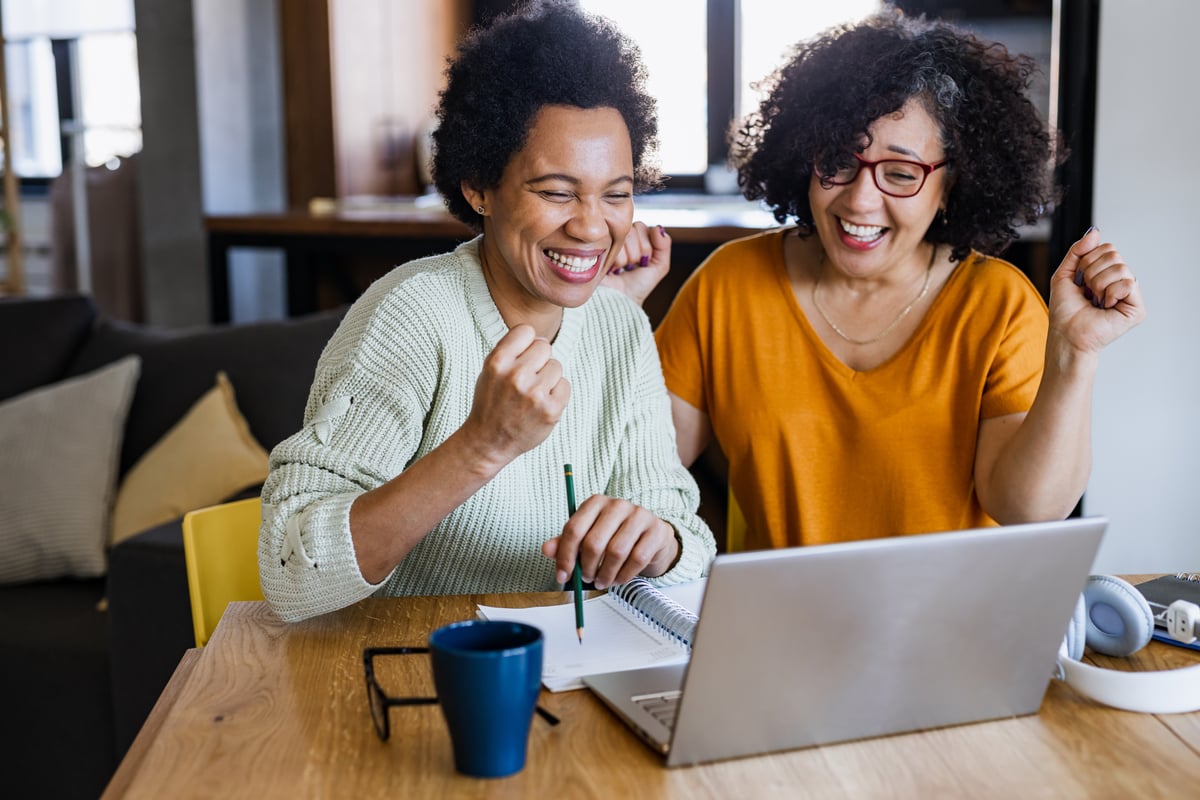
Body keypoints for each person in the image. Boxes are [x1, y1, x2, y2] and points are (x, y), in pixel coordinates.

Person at [616, 10, 1145, 550]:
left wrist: (1074, 354)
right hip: (780, 623)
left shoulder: (997, 305)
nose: (860, 200)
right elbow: (636, 468)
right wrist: (607, 319)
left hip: (950, 626)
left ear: (952, 181)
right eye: (840, 162)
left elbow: (1026, 511)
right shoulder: (730, 284)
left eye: (900, 173)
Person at [259, 1, 715, 623]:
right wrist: (482, 445)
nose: (591, 226)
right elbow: (292, 574)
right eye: (556, 191)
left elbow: (687, 538)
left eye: (617, 194)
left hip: (564, 672)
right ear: (479, 187)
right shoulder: (412, 316)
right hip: (406, 672)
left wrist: (658, 544)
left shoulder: (620, 327)